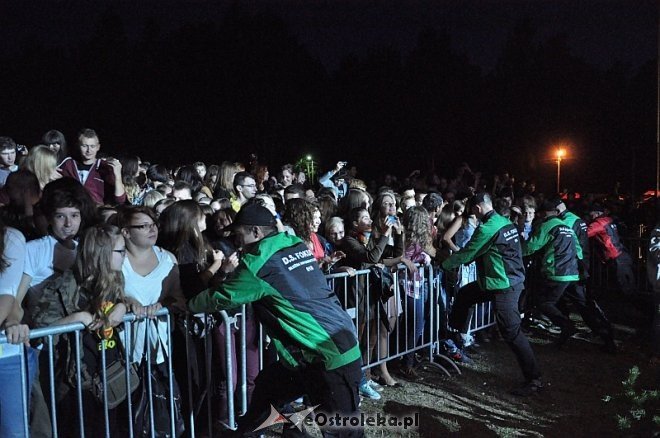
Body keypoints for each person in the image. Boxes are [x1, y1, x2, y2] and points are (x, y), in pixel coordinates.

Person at [188, 204, 363, 437]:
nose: (235, 239)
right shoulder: (294, 244)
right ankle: (249, 432)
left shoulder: (258, 264)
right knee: (269, 387)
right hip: (315, 351)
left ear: (257, 233)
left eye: (239, 233)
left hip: (328, 354)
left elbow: (220, 297)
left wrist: (186, 305)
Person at [30, 224, 128, 436]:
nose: (125, 256)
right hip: (75, 380)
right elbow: (39, 333)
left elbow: (119, 302)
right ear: (102, 254)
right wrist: (77, 318)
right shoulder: (63, 285)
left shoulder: (115, 278)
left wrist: (123, 306)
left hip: (108, 372)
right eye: (121, 251)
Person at [442, 192, 542, 396]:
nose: (473, 216)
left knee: (511, 332)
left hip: (504, 285)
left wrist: (443, 264)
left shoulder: (488, 227)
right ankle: (454, 336)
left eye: (473, 212)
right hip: (499, 281)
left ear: (478, 209)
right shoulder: (502, 221)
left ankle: (534, 379)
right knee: (466, 294)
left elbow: (468, 252)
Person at [523, 200, 616, 351]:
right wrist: (578, 267)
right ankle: (607, 337)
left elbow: (531, 247)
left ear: (544, 213)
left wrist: (514, 252)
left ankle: (567, 327)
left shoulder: (547, 225)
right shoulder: (567, 225)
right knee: (583, 307)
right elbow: (578, 248)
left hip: (557, 274)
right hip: (573, 274)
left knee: (543, 303)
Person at [0, 217, 37, 438]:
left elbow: (7, 297)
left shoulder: (10, 239)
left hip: (6, 355)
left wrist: (13, 320)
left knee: (14, 432)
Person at [57, 128, 126, 205]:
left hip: (96, 211)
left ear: (98, 147)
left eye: (92, 146)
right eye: (84, 146)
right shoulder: (69, 164)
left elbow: (120, 200)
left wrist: (118, 176)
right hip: (73, 209)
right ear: (78, 146)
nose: (89, 150)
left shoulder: (104, 166)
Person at [587, 203, 635, 296]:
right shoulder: (609, 220)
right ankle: (632, 298)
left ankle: (627, 303)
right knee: (629, 279)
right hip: (622, 252)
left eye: (591, 214)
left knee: (622, 282)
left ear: (597, 213)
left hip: (614, 255)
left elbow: (586, 234)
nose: (590, 217)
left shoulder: (598, 223)